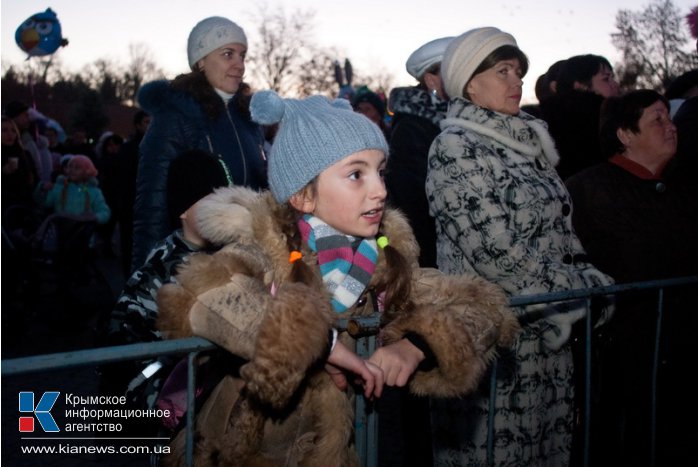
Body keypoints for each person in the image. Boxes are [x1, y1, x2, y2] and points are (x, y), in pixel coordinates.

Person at [154, 90, 519, 466]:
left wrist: (417, 344)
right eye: (356, 174)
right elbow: (203, 294)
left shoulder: (385, 262)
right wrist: (318, 343)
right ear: (303, 196)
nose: (380, 190)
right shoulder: (265, 249)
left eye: (381, 171)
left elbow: (486, 306)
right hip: (242, 452)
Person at [425, 27, 614, 466]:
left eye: (519, 71)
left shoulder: (529, 142)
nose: (517, 81)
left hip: (549, 338)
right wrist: (576, 297)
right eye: (503, 70)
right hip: (495, 342)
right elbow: (497, 253)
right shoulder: (454, 147)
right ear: (470, 82)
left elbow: (563, 229)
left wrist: (588, 276)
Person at [565, 90, 697, 467]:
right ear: (625, 133)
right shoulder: (589, 189)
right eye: (657, 119)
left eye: (669, 118)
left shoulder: (687, 185)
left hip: (685, 353)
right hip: (625, 358)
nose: (671, 127)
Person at [102, 149, 232, 436]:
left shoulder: (225, 254)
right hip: (161, 396)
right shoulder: (164, 268)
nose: (226, 211)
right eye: (214, 201)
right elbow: (125, 354)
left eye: (229, 201)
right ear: (184, 210)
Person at [133, 16, 267, 272]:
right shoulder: (175, 117)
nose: (239, 64)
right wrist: (147, 280)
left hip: (254, 261)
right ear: (201, 61)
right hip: (201, 268)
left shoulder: (250, 119)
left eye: (242, 55)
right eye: (228, 54)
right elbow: (152, 205)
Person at [381, 36, 453, 467]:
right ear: (431, 78)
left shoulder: (444, 125)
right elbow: (407, 213)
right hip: (425, 274)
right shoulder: (414, 131)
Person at [386, 35, 453, 269]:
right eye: (454, 70)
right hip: (437, 257)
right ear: (432, 80)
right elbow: (415, 204)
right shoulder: (412, 128)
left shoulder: (457, 120)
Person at [540, 54, 620, 181]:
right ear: (581, 85)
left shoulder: (547, 119)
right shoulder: (597, 120)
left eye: (612, 78)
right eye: (606, 79)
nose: (615, 84)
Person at [115, 110, 151, 276]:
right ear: (138, 125)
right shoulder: (129, 148)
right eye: (146, 122)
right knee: (130, 246)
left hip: (150, 205)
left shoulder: (157, 147)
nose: (149, 126)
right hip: (130, 204)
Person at [38, 154, 111, 225]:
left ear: (87, 171)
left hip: (83, 233)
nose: (72, 170)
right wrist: (43, 189)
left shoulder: (93, 192)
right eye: (70, 167)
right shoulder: (60, 187)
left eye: (77, 168)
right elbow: (46, 203)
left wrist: (95, 217)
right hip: (61, 231)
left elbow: (104, 211)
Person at [5, 101, 54, 185]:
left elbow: (36, 171)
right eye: (24, 115)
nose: (28, 118)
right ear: (15, 116)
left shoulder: (29, 141)